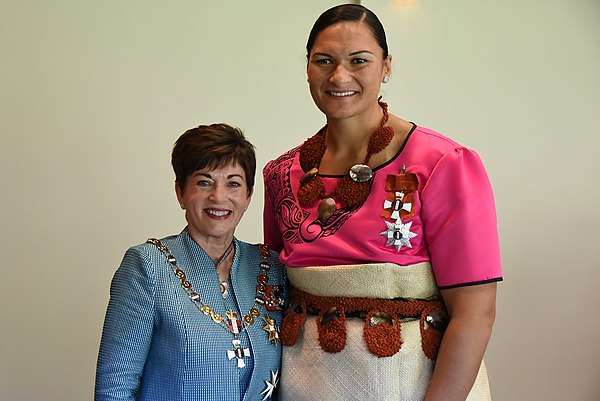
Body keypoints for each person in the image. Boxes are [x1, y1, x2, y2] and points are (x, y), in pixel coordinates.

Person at [263, 4, 502, 401]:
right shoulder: (281, 174)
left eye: (359, 60)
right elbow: (272, 294)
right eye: (324, 61)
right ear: (307, 66)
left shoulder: (442, 165)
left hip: (411, 387)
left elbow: (475, 314)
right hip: (307, 388)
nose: (340, 76)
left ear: (386, 67)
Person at [96, 123, 286, 401]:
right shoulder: (147, 266)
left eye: (233, 183)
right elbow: (114, 390)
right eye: (204, 182)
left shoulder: (270, 267)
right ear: (181, 193)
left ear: (248, 196)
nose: (218, 197)